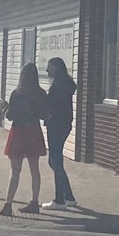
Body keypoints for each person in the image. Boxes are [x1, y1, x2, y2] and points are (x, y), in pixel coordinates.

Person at [0, 62, 48, 216]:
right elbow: (43, 114)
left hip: (18, 132)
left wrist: (6, 107)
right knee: (35, 169)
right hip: (33, 131)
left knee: (15, 171)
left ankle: (8, 204)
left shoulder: (17, 93)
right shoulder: (40, 93)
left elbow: (11, 116)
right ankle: (34, 202)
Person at [42, 57, 77, 209]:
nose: (47, 71)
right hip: (64, 125)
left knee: (55, 161)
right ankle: (68, 197)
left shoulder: (58, 87)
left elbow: (51, 106)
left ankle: (59, 200)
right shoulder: (66, 85)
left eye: (49, 67)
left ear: (56, 68)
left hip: (56, 126)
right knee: (55, 161)